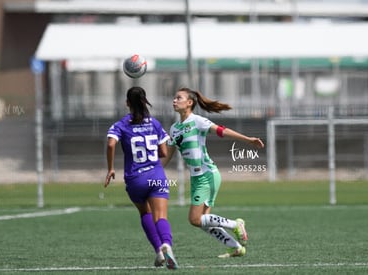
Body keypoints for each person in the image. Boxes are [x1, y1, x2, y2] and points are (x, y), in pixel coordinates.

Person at [161, 87, 264, 258]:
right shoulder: (174, 129)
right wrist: (151, 171)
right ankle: (235, 247)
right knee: (204, 221)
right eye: (174, 98)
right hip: (197, 178)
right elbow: (167, 156)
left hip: (206, 175)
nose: (174, 100)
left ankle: (235, 224)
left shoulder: (197, 121)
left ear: (189, 103)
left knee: (195, 219)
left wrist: (248, 140)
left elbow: (222, 131)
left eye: (178, 98)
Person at [104, 86, 179, 269]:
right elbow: (163, 151)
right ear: (145, 101)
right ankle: (167, 244)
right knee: (160, 216)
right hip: (156, 176)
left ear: (127, 103)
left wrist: (111, 168)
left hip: (135, 179)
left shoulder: (121, 124)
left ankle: (158, 252)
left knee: (145, 213)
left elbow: (111, 143)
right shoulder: (154, 123)